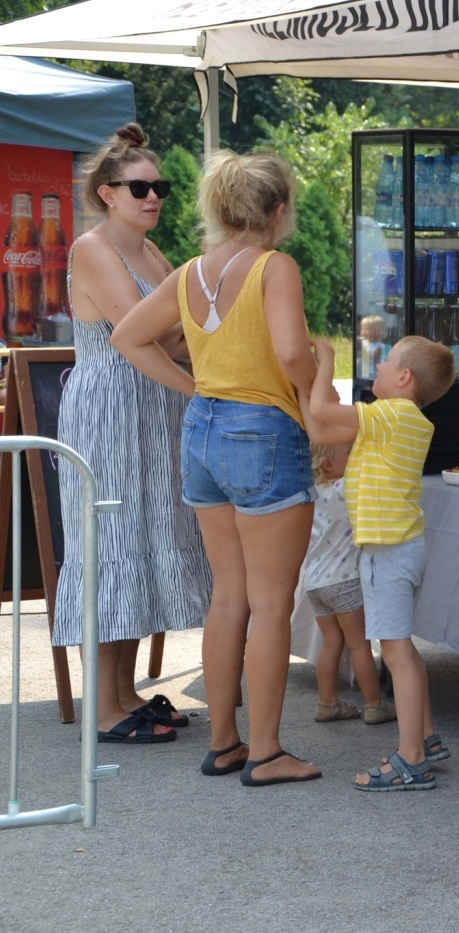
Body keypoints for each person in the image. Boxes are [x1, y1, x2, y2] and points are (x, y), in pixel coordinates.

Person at [112, 149, 322, 786]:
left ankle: (226, 741)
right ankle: (265, 752)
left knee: (228, 597)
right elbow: (290, 351)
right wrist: (318, 383)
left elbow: (127, 335)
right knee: (271, 603)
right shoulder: (273, 266)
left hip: (202, 429)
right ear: (277, 209)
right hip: (262, 432)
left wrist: (192, 384)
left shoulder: (192, 271)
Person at [52, 122, 213, 744]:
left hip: (152, 403)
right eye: (140, 187)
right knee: (110, 544)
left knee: (143, 545)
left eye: (160, 187)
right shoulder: (94, 249)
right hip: (111, 412)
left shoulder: (152, 253)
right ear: (106, 194)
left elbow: (179, 332)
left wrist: (174, 339)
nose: (153, 197)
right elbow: (144, 331)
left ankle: (124, 694)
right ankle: (103, 706)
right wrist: (191, 376)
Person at [304, 335, 455, 791]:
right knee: (403, 650)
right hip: (402, 547)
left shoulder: (389, 414)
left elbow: (323, 416)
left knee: (395, 652)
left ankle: (410, 758)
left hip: (386, 552)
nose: (380, 365)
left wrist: (325, 362)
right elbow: (322, 434)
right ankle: (425, 737)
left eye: (387, 360)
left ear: (404, 378)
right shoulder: (402, 421)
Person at [304, 441, 396, 726]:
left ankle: (327, 703)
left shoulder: (311, 494)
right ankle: (373, 705)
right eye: (351, 453)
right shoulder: (348, 488)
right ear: (329, 464)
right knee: (359, 646)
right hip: (344, 581)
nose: (357, 457)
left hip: (315, 583)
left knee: (331, 644)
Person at [359, 315, 387, 379]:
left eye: (366, 329)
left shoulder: (378, 346)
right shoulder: (364, 342)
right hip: (363, 373)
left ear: (377, 332)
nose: (363, 331)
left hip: (372, 376)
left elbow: (371, 359)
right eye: (362, 328)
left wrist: (361, 348)